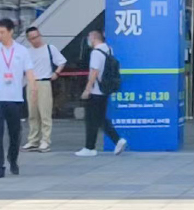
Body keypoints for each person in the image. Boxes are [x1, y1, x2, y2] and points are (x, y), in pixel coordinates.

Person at [0, 18, 35, 179]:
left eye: (2, 32)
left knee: (15, 133)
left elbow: (29, 72)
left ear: (11, 32)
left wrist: (33, 88)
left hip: (14, 98)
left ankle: (12, 158)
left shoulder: (22, 51)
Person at [76, 30, 127, 158]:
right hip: (105, 89)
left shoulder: (96, 53)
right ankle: (91, 146)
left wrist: (87, 89)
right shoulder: (109, 50)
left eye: (89, 38)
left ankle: (96, 145)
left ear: (93, 38)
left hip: (96, 91)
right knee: (98, 118)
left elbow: (94, 72)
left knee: (92, 119)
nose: (88, 41)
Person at [21, 26, 65, 152]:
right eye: (33, 38)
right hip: (31, 83)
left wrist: (56, 73)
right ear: (29, 40)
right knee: (33, 113)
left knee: (45, 113)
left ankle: (45, 140)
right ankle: (33, 140)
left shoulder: (50, 48)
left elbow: (61, 61)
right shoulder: (27, 52)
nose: (36, 40)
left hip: (44, 82)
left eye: (37, 36)